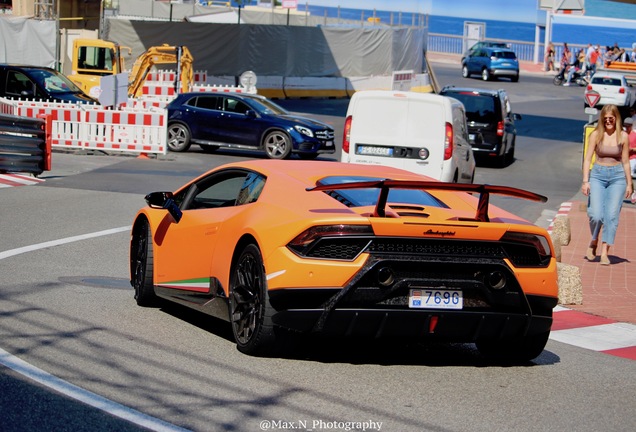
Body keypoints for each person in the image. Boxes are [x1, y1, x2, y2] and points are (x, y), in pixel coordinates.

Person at [581, 104, 633, 265]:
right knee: (595, 214)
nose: (609, 121)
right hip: (598, 175)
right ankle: (594, 239)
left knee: (611, 216)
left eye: (612, 118)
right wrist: (585, 181)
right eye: (606, 118)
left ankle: (604, 251)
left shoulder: (623, 136)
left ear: (617, 119)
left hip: (617, 177)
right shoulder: (596, 135)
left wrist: (630, 184)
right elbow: (588, 159)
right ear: (602, 119)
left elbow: (625, 161)